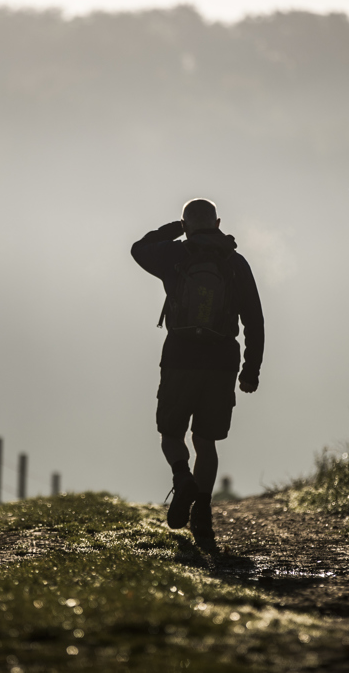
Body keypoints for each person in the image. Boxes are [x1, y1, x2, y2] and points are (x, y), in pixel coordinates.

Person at [131, 198, 264, 543]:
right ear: (218, 222)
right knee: (206, 441)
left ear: (186, 223)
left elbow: (138, 248)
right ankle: (202, 514)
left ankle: (181, 478)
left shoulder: (174, 256)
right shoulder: (235, 262)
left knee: (171, 433)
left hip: (179, 356)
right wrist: (251, 370)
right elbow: (255, 320)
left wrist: (178, 230)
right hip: (222, 362)